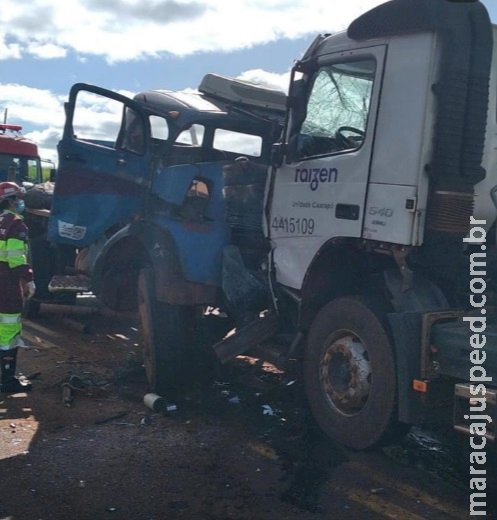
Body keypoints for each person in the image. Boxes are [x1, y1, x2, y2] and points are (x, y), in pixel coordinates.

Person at [0, 181, 36, 393]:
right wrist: (28, 279)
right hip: (6, 283)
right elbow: (16, 258)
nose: (21, 203)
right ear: (11, 201)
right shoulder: (15, 224)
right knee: (9, 328)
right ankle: (7, 380)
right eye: (19, 199)